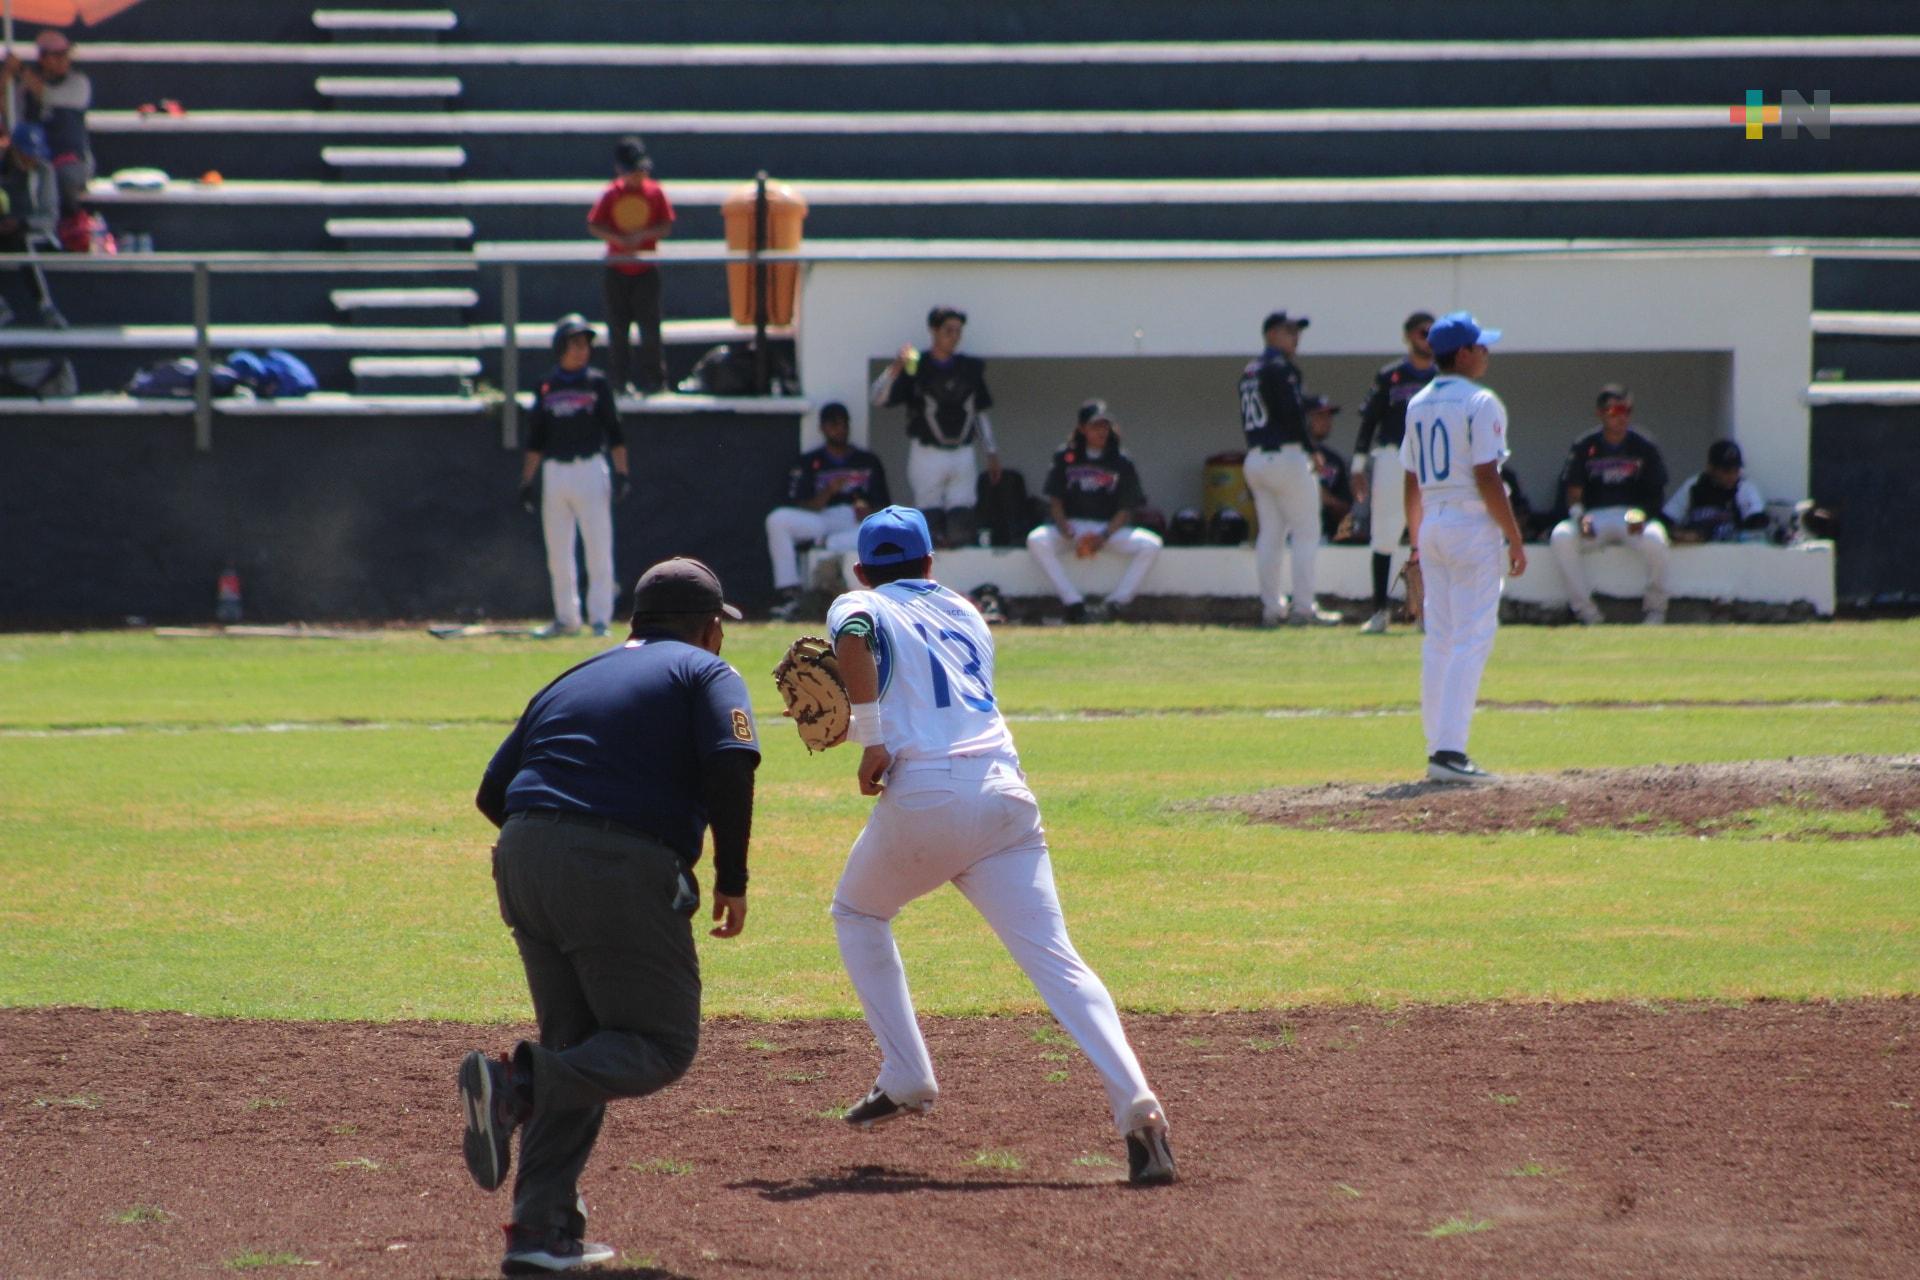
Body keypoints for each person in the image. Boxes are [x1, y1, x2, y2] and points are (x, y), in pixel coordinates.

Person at [824, 505, 1176, 1185]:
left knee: (858, 913)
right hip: (1006, 793)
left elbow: (859, 631)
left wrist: (868, 731)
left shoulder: (857, 600)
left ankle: (907, 1073)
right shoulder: (965, 610)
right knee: (1060, 963)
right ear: (931, 564)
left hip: (926, 794)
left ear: (863, 570)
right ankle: (1139, 1110)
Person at [460, 556, 759, 1276]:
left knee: (577, 1047)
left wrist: (555, 842)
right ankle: (516, 1086)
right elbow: (731, 763)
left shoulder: (574, 675)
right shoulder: (706, 672)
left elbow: (491, 791)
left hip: (522, 857)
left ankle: (540, 1234)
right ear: (710, 628)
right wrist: (731, 877)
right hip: (611, 864)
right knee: (659, 1043)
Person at [1401, 312, 1528, 784]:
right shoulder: (1480, 401)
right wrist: (1514, 538)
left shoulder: (1416, 403)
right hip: (1471, 523)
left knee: (1441, 639)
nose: (1487, 354)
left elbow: (1411, 480)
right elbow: (1486, 475)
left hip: (1433, 520)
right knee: (1473, 638)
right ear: (1464, 353)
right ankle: (1451, 752)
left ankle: (1439, 746)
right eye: (1481, 346)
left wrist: (1416, 541)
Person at [519, 314, 632, 639]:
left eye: (586, 344)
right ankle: (566, 617)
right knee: (558, 550)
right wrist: (528, 480)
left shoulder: (596, 383)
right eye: (575, 344)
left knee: (598, 546)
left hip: (589, 469)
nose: (583, 350)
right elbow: (536, 438)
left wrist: (622, 472)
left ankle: (599, 619)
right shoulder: (547, 386)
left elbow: (615, 431)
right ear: (560, 347)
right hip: (555, 472)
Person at [868, 306, 1002, 548]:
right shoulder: (917, 367)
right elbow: (878, 398)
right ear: (934, 331)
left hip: (963, 453)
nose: (954, 336)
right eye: (948, 330)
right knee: (929, 524)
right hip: (927, 453)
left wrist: (991, 452)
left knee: (961, 523)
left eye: (958, 331)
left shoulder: (970, 369)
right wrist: (896, 367)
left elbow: (979, 412)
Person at [1239, 310, 1338, 626]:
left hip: (1256, 456)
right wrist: (1313, 449)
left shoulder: (1249, 370)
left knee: (1270, 535)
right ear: (1270, 335)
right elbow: (1293, 413)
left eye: (1297, 331)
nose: (1295, 337)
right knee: (1307, 532)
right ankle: (1303, 608)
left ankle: (1271, 608)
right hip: (1286, 456)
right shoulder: (1281, 368)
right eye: (1287, 331)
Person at [1025, 399, 1163, 623]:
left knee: (1151, 544)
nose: (1101, 431)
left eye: (1105, 426)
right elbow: (1055, 500)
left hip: (1107, 528)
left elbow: (1127, 507)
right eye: (1095, 426)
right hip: (1072, 527)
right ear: (1082, 429)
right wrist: (1064, 528)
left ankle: (1117, 603)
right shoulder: (1066, 457)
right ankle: (1073, 603)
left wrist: (1103, 536)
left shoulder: (1121, 460)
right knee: (1036, 539)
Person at [1548, 385, 1673, 625]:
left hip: (1632, 516)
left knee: (1656, 539)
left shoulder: (1644, 445)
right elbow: (1573, 491)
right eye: (1614, 410)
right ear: (1601, 413)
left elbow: (1656, 492)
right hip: (1594, 517)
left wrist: (1643, 514)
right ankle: (1587, 614)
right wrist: (1578, 516)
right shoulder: (1585, 445)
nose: (1621, 416)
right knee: (1561, 536)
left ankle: (1655, 610)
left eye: (1626, 410)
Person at [765, 400, 891, 620]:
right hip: (822, 518)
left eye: (843, 424)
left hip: (854, 521)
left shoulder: (868, 460)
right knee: (777, 519)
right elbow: (799, 503)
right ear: (823, 428)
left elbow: (884, 505)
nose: (840, 429)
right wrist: (828, 492)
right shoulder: (809, 461)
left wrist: (868, 510)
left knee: (882, 530)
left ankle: (827, 544)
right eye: (833, 425)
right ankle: (789, 591)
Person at [1353, 312, 1437, 633]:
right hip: (1392, 457)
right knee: (1385, 535)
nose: (1426, 338)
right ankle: (1379, 611)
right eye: (1421, 331)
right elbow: (1369, 420)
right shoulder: (1390, 376)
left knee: (1428, 536)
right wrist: (1358, 465)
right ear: (1407, 336)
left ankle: (1425, 611)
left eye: (1432, 332)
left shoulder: (1442, 377)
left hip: (1430, 462)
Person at [586, 136, 674, 395]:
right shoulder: (611, 194)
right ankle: (618, 383)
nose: (638, 176)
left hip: (646, 269)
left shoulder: (655, 192)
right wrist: (618, 239)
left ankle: (656, 382)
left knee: (650, 329)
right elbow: (594, 224)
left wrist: (643, 236)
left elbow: (666, 225)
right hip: (617, 269)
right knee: (618, 330)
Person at [2, 31, 91, 219]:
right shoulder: (25, 88)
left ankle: (69, 228)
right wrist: (6, 75)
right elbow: (8, 110)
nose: (63, 60)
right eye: (57, 56)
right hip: (33, 157)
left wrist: (20, 69)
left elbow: (49, 95)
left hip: (70, 159)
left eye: (65, 55)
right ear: (42, 58)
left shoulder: (78, 83)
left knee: (62, 178)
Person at [0, 123, 62, 328]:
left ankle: (46, 306)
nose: (31, 159)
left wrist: (23, 222)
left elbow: (50, 216)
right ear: (14, 149)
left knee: (23, 241)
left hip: (34, 232)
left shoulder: (45, 171)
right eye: (26, 153)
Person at [1664, 439, 1768, 543]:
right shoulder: (1694, 485)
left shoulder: (1744, 488)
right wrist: (1679, 534)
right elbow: (1666, 520)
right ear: (1710, 468)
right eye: (1726, 471)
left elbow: (1757, 526)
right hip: (1697, 552)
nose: (1732, 476)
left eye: (1736, 471)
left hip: (1732, 552)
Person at [1305, 394, 1354, 541]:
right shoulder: (1290, 455)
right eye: (1319, 416)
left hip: (1326, 535)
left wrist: (1330, 501)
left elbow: (1345, 504)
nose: (1327, 422)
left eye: (1329, 417)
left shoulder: (1334, 460)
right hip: (1291, 533)